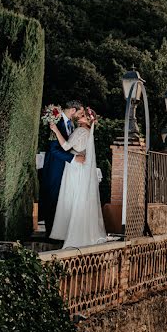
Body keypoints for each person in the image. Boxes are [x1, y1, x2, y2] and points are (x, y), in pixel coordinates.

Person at [48, 109, 107, 248]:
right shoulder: (87, 133)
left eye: (83, 116)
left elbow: (66, 146)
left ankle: (69, 232)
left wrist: (56, 130)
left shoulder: (80, 131)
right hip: (80, 167)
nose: (79, 117)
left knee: (70, 197)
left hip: (74, 167)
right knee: (77, 199)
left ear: (87, 121)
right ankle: (76, 230)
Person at [40, 100, 85, 238]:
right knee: (52, 198)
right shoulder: (56, 122)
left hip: (66, 168)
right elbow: (53, 150)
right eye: (79, 113)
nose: (79, 116)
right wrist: (73, 159)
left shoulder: (70, 124)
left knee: (61, 198)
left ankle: (59, 231)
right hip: (54, 166)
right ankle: (51, 233)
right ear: (72, 110)